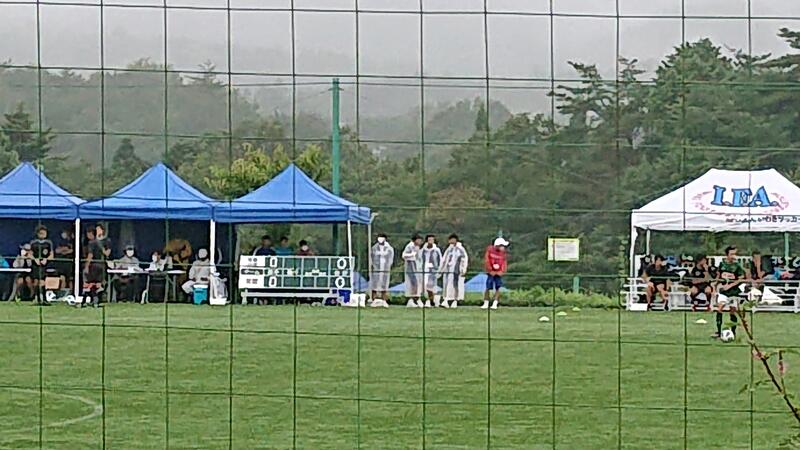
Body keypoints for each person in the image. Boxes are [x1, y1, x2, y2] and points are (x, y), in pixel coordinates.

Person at [714, 245, 745, 339]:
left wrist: (730, 286)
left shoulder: (737, 266)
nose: (733, 256)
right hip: (723, 291)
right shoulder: (722, 264)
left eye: (735, 254)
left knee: (732, 311)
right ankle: (718, 332)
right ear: (727, 255)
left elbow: (740, 279)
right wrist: (716, 285)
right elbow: (718, 276)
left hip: (733, 292)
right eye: (732, 254)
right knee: (719, 308)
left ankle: (733, 332)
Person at [83, 224, 111, 307]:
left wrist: (86, 266)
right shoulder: (99, 242)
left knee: (89, 283)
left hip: (94, 265)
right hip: (101, 265)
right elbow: (105, 252)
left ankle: (86, 300)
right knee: (98, 284)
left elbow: (90, 255)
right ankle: (96, 300)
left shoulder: (91, 243)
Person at [438, 234, 468, 308]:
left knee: (455, 285)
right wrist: (441, 270)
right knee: (447, 285)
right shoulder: (449, 249)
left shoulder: (460, 249)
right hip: (448, 270)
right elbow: (444, 259)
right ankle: (446, 300)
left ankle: (455, 301)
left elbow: (464, 259)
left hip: (456, 270)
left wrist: (463, 269)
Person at [29, 225, 54, 305]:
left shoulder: (48, 243)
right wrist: (35, 259)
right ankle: (36, 298)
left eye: (45, 233)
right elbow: (30, 254)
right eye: (41, 233)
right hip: (35, 265)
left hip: (44, 265)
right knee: (36, 281)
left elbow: (51, 255)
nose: (43, 234)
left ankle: (44, 299)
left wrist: (46, 259)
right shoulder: (33, 243)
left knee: (43, 282)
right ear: (38, 233)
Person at [483, 237, 509, 310]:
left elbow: (504, 263)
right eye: (502, 245)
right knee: (488, 287)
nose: (503, 247)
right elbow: (487, 260)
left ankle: (495, 303)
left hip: (498, 273)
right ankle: (486, 302)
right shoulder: (489, 250)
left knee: (498, 287)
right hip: (491, 273)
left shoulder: (503, 253)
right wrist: (490, 270)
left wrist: (502, 271)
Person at [369, 233, 394, 308]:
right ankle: (373, 300)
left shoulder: (389, 248)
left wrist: (388, 265)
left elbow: (390, 258)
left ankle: (384, 300)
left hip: (385, 268)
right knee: (374, 284)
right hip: (376, 268)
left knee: (384, 285)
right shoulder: (374, 248)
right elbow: (372, 257)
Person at [402, 234, 425, 308]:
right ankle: (412, 300)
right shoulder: (410, 246)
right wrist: (412, 255)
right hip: (411, 268)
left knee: (417, 284)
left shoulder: (417, 247)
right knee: (412, 284)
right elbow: (404, 255)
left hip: (417, 268)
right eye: (419, 240)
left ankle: (415, 299)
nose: (420, 242)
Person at [421, 234, 442, 307]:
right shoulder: (423, 250)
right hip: (424, 270)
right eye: (429, 239)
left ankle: (432, 300)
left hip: (433, 271)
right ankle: (430, 300)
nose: (430, 241)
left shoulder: (436, 250)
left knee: (431, 287)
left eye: (432, 240)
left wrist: (440, 270)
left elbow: (440, 260)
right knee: (425, 287)